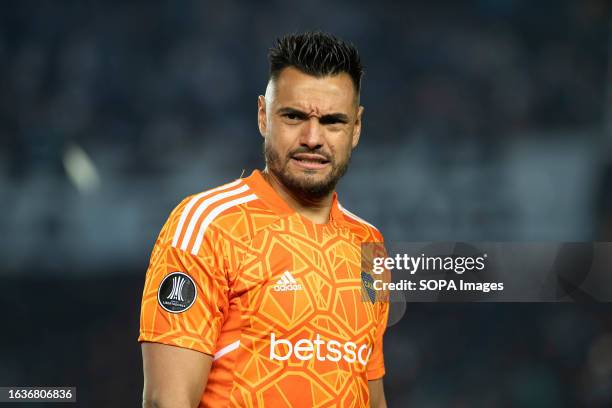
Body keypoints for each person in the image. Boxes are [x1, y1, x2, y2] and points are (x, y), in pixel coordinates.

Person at [139, 31, 389, 408]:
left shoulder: (369, 245)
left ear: (355, 128)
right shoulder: (208, 226)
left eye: (333, 122)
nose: (312, 137)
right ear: (262, 115)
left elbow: (369, 393)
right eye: (294, 116)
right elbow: (166, 401)